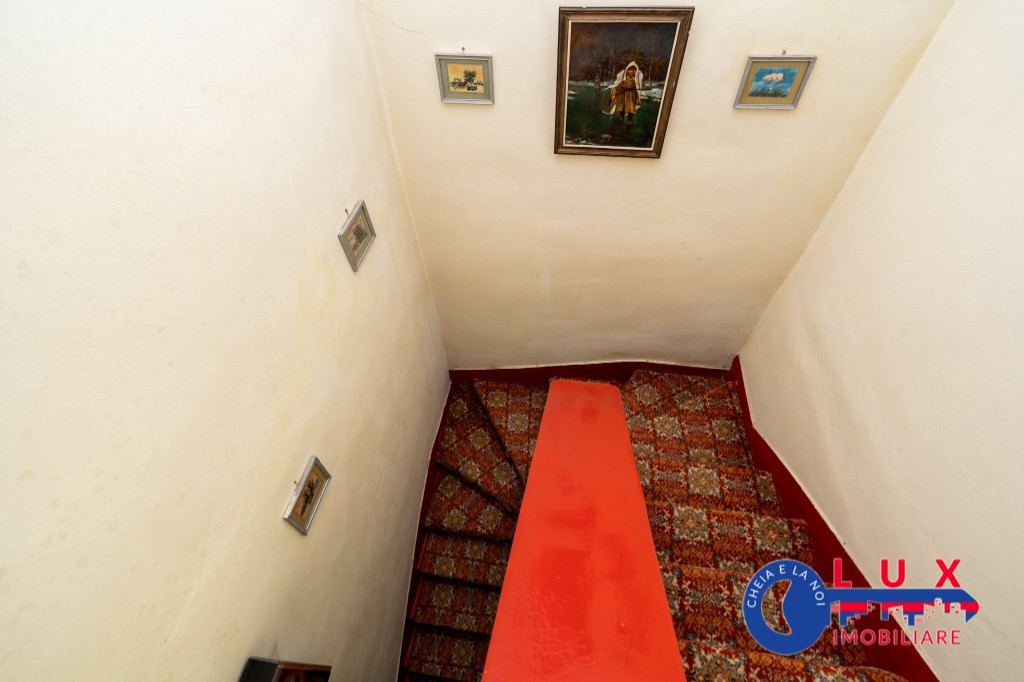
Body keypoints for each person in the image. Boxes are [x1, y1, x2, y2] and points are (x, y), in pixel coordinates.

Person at [608, 61, 643, 126]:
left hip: (630, 99)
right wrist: (614, 95)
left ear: (636, 70)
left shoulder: (636, 78)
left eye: (634, 70)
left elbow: (638, 91)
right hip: (621, 98)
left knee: (630, 116)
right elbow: (616, 87)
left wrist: (637, 100)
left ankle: (629, 128)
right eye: (630, 70)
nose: (632, 72)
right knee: (621, 114)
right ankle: (619, 126)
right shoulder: (622, 77)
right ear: (627, 70)